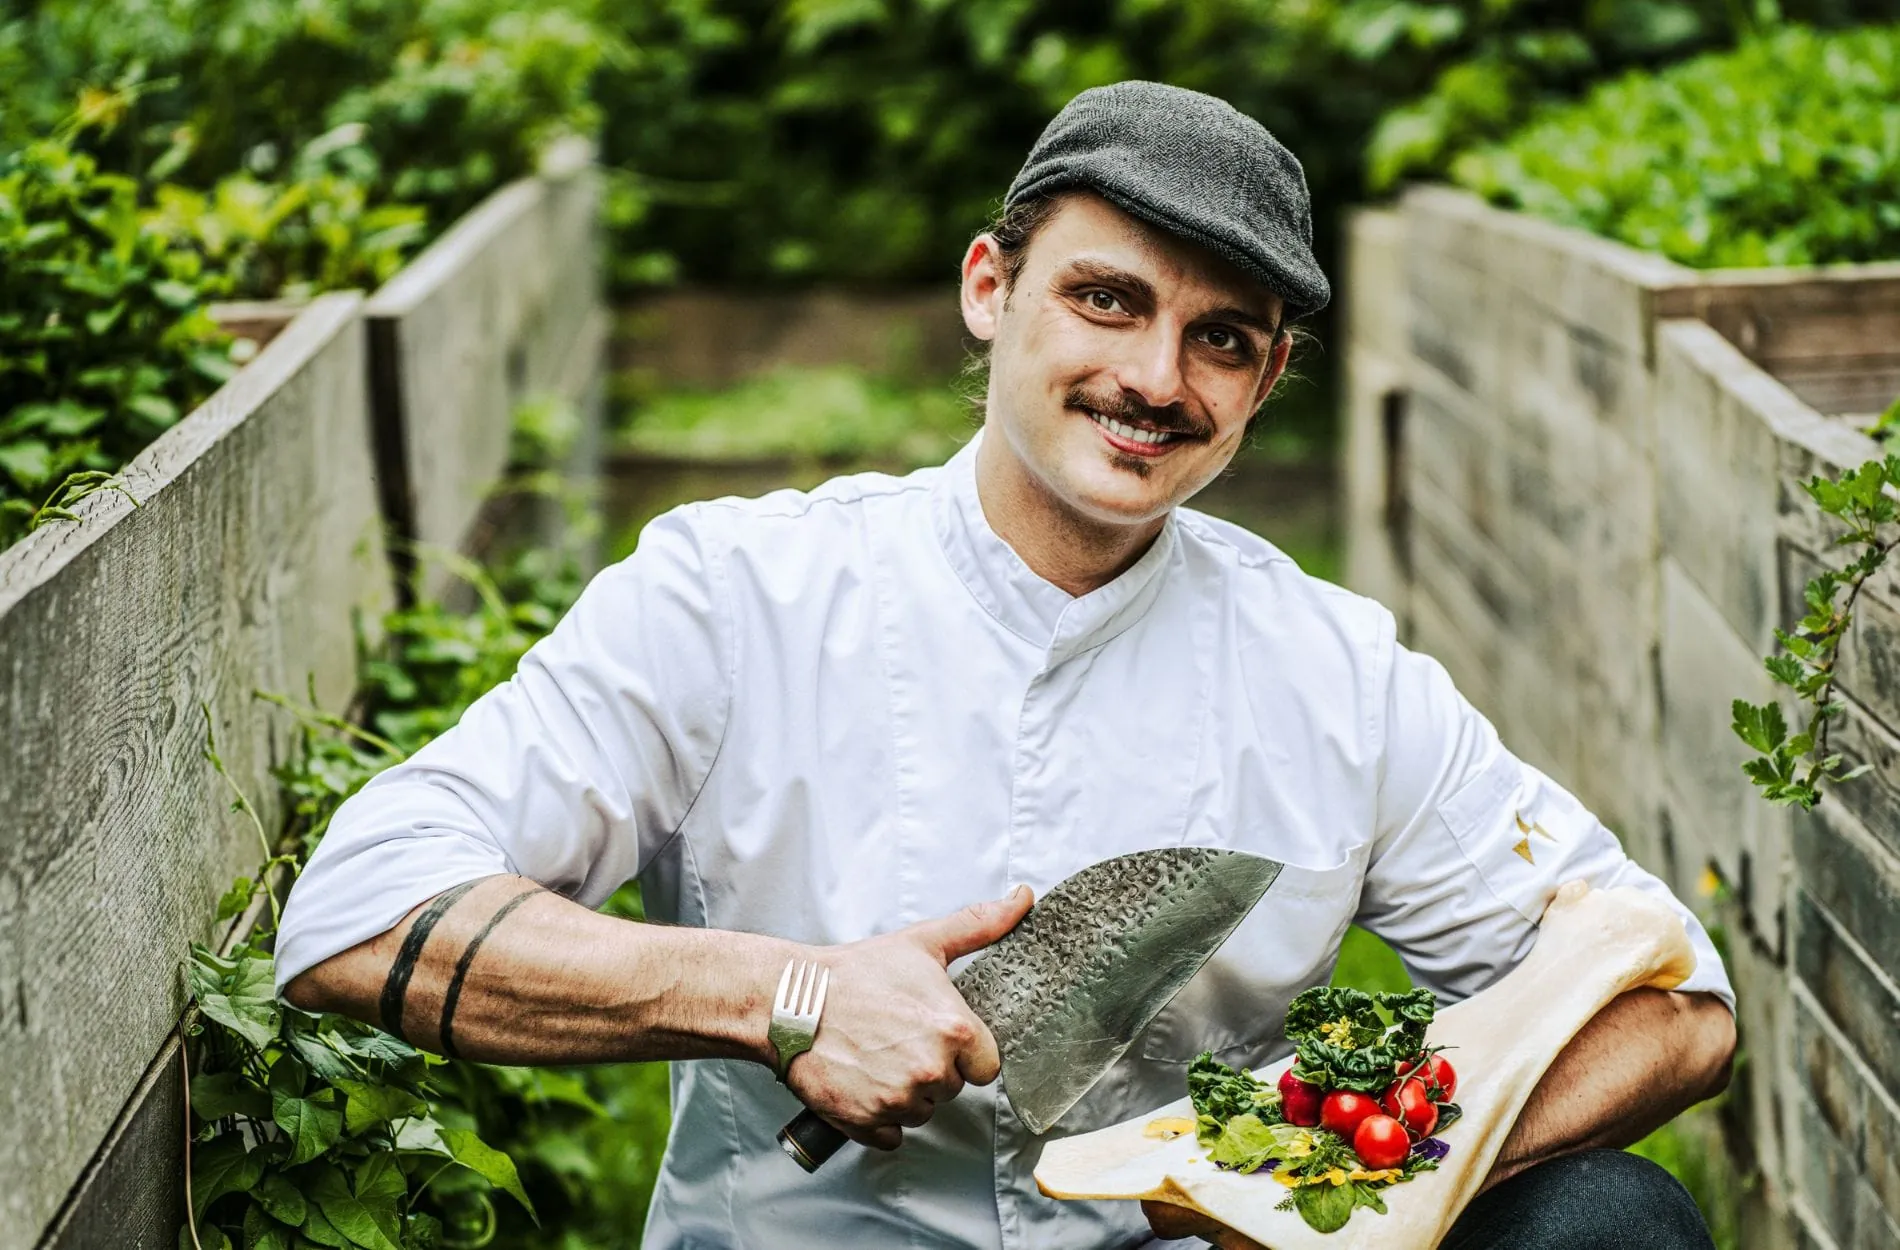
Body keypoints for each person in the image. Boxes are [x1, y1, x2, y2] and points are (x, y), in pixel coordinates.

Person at [276, 81, 1735, 1248]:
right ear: (992, 286)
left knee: (1614, 1220)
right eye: (1109, 299)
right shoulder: (739, 594)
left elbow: (1675, 1000)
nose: (1157, 380)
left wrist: (1336, 1185)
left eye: (1219, 336)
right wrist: (781, 993)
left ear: (1267, 381)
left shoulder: (1335, 674)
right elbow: (355, 911)